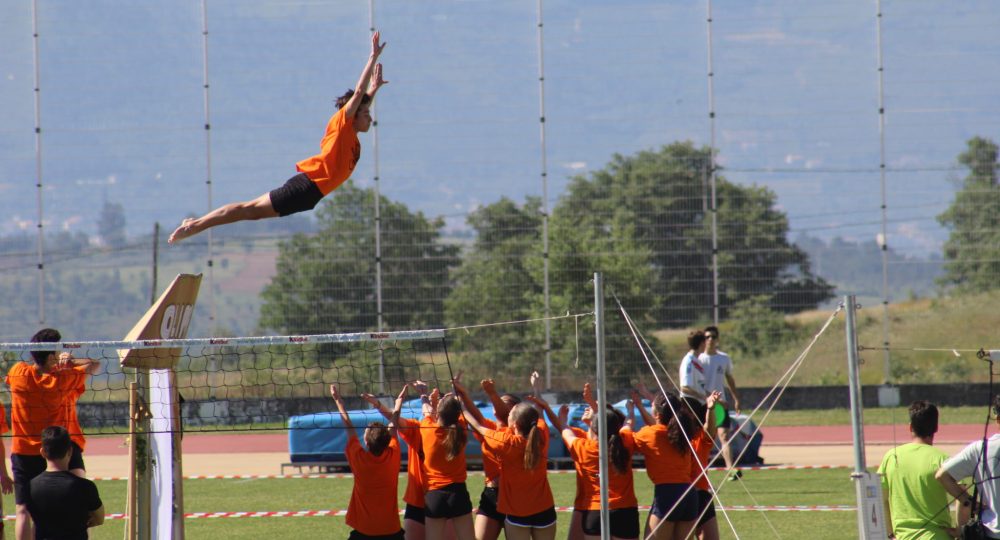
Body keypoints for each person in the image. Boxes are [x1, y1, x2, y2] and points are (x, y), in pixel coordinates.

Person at [167, 31, 389, 243]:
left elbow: (363, 100)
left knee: (251, 210)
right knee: (250, 210)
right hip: (307, 188)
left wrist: (374, 89)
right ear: (352, 115)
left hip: (310, 193)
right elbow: (359, 95)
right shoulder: (341, 125)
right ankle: (195, 226)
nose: (370, 118)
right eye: (366, 114)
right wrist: (372, 58)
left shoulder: (350, 134)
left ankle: (196, 223)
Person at [7, 329, 100, 540]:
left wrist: (55, 364)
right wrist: (71, 361)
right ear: (50, 357)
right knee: (80, 500)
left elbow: (18, 377)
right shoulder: (62, 380)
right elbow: (94, 365)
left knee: (23, 510)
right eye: (56, 352)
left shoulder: (18, 372)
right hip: (57, 449)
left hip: (24, 451)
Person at [531, 386, 639, 540]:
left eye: (592, 409)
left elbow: (563, 427)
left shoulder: (583, 445)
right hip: (616, 509)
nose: (587, 409)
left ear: (595, 424)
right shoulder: (624, 440)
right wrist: (632, 409)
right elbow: (626, 422)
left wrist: (560, 414)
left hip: (593, 509)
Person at [462, 400, 557, 540]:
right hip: (545, 509)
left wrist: (462, 408)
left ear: (514, 425)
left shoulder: (507, 443)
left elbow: (478, 427)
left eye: (510, 413)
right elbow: (540, 415)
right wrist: (537, 391)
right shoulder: (542, 433)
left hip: (517, 511)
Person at [330, 383, 405, 540]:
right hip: (391, 531)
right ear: (386, 441)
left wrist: (338, 401)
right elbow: (394, 424)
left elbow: (349, 427)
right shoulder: (393, 455)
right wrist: (397, 402)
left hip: (364, 532)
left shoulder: (359, 459)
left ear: (366, 441)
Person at [451, 376, 521, 540]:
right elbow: (474, 414)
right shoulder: (489, 428)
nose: (498, 405)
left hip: (514, 496)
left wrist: (492, 393)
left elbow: (500, 413)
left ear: (515, 411)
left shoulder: (517, 434)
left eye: (504, 403)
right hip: (491, 494)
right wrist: (462, 393)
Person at [874, 400, 955, 540]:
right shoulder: (942, 459)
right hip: (937, 535)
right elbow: (961, 497)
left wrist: (890, 533)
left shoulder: (891, 456)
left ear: (910, 427)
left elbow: (881, 499)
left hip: (902, 536)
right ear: (936, 428)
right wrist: (960, 529)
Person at [627, 392, 698, 540]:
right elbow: (657, 428)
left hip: (667, 494)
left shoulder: (649, 434)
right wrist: (640, 406)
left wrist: (630, 415)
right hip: (689, 493)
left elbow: (626, 440)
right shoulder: (680, 432)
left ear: (657, 414)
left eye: (651, 406)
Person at [937, 395, 1000, 539]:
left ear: (997, 418)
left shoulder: (979, 449)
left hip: (993, 533)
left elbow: (942, 476)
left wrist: (970, 502)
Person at [24, 426, 103, 540]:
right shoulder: (85, 487)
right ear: (70, 451)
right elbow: (99, 518)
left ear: (42, 452)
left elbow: (34, 520)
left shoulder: (30, 487)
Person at [420, 392, 475, 540]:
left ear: (438, 412)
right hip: (458, 493)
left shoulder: (428, 429)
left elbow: (426, 410)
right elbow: (464, 413)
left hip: (435, 496)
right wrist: (458, 396)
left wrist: (423, 395)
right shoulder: (461, 430)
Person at [698, 326, 742, 480]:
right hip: (703, 404)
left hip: (720, 405)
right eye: (707, 337)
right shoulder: (699, 359)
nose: (710, 339)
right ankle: (700, 470)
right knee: (702, 437)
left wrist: (736, 398)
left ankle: (730, 469)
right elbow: (697, 384)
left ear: (717, 339)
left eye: (713, 337)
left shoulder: (724, 358)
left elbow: (729, 378)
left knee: (724, 435)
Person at [683, 392, 722, 540]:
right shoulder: (674, 436)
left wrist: (711, 409)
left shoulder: (700, 436)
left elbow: (709, 428)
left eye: (684, 410)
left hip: (701, 495)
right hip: (682, 495)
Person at [679, 331, 708, 402]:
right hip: (691, 404)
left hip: (700, 404)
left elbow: (700, 386)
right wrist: (702, 397)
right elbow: (684, 388)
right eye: (705, 342)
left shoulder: (697, 360)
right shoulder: (688, 361)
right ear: (702, 344)